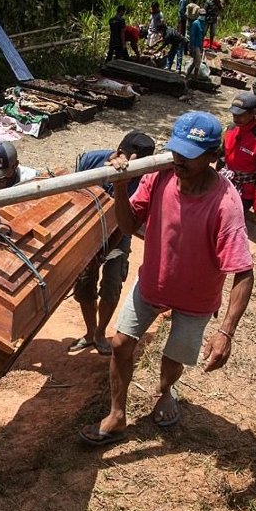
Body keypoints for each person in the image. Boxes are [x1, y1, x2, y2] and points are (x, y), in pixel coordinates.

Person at [78, 111, 254, 446]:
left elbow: (244, 271)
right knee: (120, 344)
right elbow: (129, 226)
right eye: (176, 150)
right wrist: (119, 185)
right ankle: (117, 414)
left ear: (213, 157)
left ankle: (165, 392)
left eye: (189, 155)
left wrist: (226, 332)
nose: (178, 160)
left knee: (173, 356)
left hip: (196, 297)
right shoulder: (159, 176)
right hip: (152, 284)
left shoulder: (225, 204)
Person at [69, 131, 156, 356]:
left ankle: (100, 333)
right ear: (118, 152)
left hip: (119, 234)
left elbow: (127, 222)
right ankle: (89, 333)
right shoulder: (91, 160)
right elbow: (74, 196)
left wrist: (102, 253)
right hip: (86, 231)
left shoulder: (145, 177)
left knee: (111, 284)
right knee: (85, 283)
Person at [218, 91, 256, 211]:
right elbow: (222, 159)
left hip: (245, 193)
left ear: (253, 113)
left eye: (241, 115)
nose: (236, 118)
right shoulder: (231, 129)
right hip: (224, 184)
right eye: (234, 114)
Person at [186, 9, 206, 80]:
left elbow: (202, 36)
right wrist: (192, 47)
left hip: (199, 45)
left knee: (195, 62)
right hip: (195, 45)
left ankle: (188, 76)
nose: (202, 16)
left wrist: (202, 46)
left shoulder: (203, 23)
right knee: (198, 61)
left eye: (203, 15)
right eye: (201, 15)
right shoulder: (195, 23)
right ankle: (194, 77)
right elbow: (192, 36)